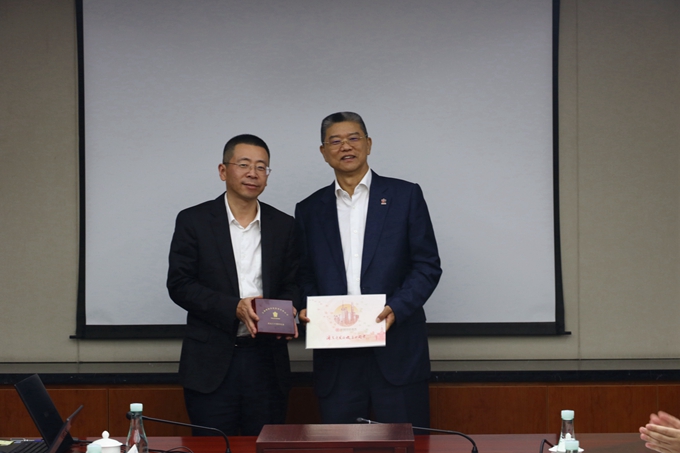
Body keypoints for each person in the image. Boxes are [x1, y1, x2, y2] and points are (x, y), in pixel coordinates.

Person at [295, 111, 442, 428]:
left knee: (406, 445)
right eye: (335, 141)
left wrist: (396, 308)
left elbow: (427, 265)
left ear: (369, 144)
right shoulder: (309, 209)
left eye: (353, 138)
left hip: (396, 350)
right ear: (324, 152)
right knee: (340, 447)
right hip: (336, 357)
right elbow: (303, 274)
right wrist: (307, 307)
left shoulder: (405, 196)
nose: (345, 146)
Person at [167, 134, 299, 436]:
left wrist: (288, 310)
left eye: (261, 167)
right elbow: (180, 284)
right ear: (223, 170)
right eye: (244, 164)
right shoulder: (194, 221)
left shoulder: (284, 225)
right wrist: (234, 308)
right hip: (211, 364)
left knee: (263, 445)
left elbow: (294, 283)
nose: (253, 173)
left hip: (266, 362)